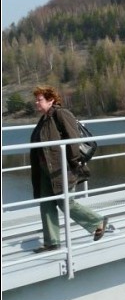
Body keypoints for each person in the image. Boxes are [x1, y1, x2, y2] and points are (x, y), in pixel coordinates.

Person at [29, 85, 109, 252]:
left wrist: (75, 162)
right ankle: (52, 242)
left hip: (62, 169)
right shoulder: (44, 118)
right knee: (46, 204)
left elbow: (73, 139)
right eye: (36, 99)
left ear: (51, 100)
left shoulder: (61, 114)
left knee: (66, 202)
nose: (36, 102)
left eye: (39, 99)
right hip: (45, 170)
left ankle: (98, 222)